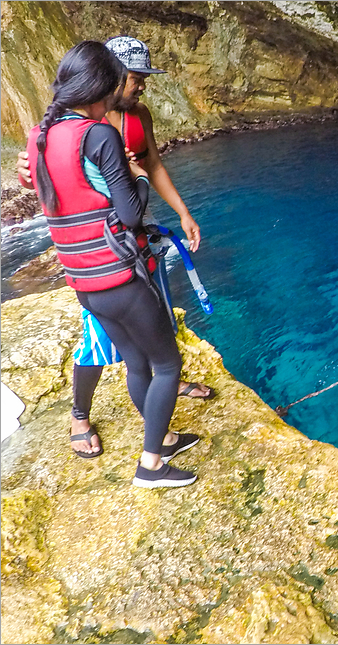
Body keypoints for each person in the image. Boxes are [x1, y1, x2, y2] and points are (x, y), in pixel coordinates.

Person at [18, 35, 211, 460]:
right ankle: (84, 417)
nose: (142, 86)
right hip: (111, 258)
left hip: (115, 255)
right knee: (108, 345)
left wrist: (182, 212)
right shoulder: (88, 130)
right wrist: (132, 175)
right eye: (135, 79)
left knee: (144, 347)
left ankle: (158, 429)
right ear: (109, 80)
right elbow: (74, 184)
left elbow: (152, 164)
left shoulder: (128, 118)